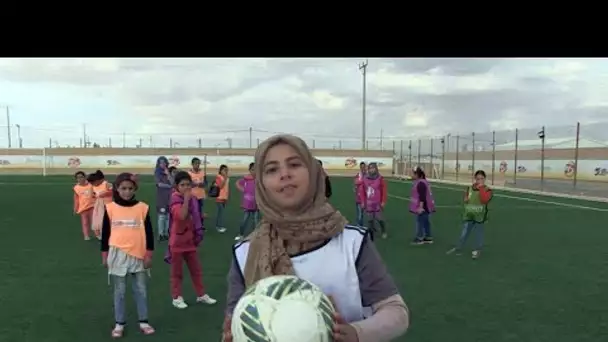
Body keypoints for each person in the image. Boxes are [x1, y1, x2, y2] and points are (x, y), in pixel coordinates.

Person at [222, 135, 409, 342]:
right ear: (261, 184)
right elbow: (236, 320)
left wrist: (357, 333)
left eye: (294, 164)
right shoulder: (245, 253)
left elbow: (396, 312)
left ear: (312, 173)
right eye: (272, 169)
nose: (285, 174)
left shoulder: (352, 243)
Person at [100, 173, 155, 338]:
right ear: (117, 188)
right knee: (120, 291)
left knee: (141, 289)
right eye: (123, 188)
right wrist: (104, 256)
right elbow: (105, 234)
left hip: (138, 254)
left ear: (135, 189)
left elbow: (149, 233)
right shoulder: (110, 208)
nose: (127, 192)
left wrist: (148, 254)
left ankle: (143, 321)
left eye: (130, 188)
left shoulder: (142, 208)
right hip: (117, 254)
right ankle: (119, 323)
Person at [165, 171, 217, 309]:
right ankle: (176, 297)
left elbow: (195, 215)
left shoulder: (193, 199)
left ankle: (201, 294)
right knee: (177, 273)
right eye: (182, 185)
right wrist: (187, 199)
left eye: (188, 184)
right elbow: (181, 216)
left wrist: (200, 216)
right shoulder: (175, 200)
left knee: (196, 270)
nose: (186, 187)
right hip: (177, 242)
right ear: (177, 186)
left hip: (190, 241)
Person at [446, 170, 493, 259]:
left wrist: (481, 188)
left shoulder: (487, 190)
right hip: (469, 214)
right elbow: (466, 198)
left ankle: (477, 250)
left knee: (478, 234)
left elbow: (484, 200)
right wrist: (466, 199)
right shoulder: (470, 188)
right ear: (475, 179)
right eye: (478, 178)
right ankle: (458, 247)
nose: (479, 181)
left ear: (484, 179)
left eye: (482, 179)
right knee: (464, 232)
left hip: (479, 216)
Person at [359, 162, 388, 240]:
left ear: (376, 169)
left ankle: (384, 231)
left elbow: (384, 191)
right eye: (370, 168)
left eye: (373, 168)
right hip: (369, 204)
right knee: (370, 220)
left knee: (379, 219)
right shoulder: (365, 179)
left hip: (377, 203)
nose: (371, 170)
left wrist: (383, 201)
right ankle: (371, 233)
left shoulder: (380, 178)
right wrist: (362, 202)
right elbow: (362, 191)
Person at [410, 167, 436, 245]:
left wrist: (420, 207)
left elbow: (422, 197)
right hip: (427, 206)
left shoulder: (420, 183)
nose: (411, 175)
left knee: (420, 222)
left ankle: (419, 238)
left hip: (423, 206)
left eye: (413, 173)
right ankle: (428, 237)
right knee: (425, 222)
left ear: (417, 174)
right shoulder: (423, 182)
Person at [234, 162, 259, 241]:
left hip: (256, 204)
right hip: (247, 204)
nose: (254, 171)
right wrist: (242, 189)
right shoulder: (246, 179)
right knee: (244, 220)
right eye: (252, 169)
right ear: (249, 170)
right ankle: (241, 234)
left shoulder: (259, 180)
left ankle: (255, 236)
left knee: (256, 221)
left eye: (255, 169)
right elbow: (237, 183)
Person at [89, 170, 113, 239]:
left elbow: (113, 193)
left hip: (108, 205)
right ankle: (99, 234)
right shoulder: (92, 186)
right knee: (98, 220)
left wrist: (105, 194)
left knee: (107, 220)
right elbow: (92, 196)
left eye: (93, 182)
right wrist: (94, 195)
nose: (93, 184)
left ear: (97, 180)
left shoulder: (107, 184)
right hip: (99, 205)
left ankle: (108, 234)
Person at [73, 171, 95, 240]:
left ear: (85, 177)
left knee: (94, 222)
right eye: (78, 178)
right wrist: (75, 208)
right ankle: (86, 235)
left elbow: (96, 193)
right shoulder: (76, 188)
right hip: (83, 208)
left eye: (81, 177)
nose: (80, 179)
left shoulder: (91, 185)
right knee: (85, 222)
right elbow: (76, 199)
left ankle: (97, 234)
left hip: (92, 206)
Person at [155, 156, 172, 241]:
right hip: (161, 198)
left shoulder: (169, 172)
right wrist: (169, 186)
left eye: (164, 162)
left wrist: (168, 173)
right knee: (162, 216)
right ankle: (161, 234)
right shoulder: (157, 173)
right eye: (161, 163)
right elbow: (159, 184)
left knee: (168, 216)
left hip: (170, 198)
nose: (163, 164)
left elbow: (173, 182)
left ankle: (166, 233)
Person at [188, 157, 208, 222]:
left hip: (201, 195)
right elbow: (188, 184)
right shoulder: (189, 173)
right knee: (193, 211)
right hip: (192, 196)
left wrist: (203, 184)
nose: (197, 165)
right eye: (196, 163)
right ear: (192, 164)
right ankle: (193, 225)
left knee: (199, 210)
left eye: (198, 163)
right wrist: (195, 184)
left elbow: (206, 183)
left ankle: (200, 225)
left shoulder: (202, 172)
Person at [214, 164, 230, 233]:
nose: (226, 171)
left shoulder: (227, 178)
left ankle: (219, 225)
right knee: (220, 213)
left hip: (224, 198)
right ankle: (218, 226)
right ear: (220, 171)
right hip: (219, 197)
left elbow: (227, 189)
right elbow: (220, 186)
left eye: (227, 170)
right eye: (224, 170)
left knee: (221, 213)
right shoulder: (218, 177)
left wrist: (227, 198)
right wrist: (225, 178)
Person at [353, 161, 366, 226]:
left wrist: (359, 182)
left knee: (363, 214)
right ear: (360, 167)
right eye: (362, 167)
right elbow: (355, 182)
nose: (363, 168)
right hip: (358, 198)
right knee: (360, 214)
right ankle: (359, 226)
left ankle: (360, 226)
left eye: (364, 167)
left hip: (366, 198)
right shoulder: (359, 175)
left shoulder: (367, 175)